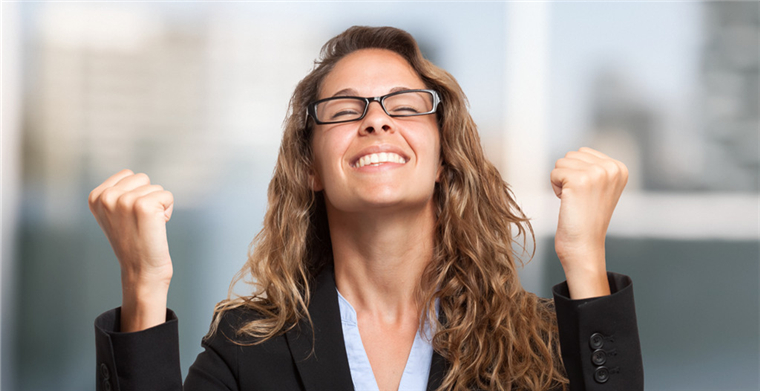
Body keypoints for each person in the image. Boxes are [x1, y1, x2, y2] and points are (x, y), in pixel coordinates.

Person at [90, 26, 643, 391]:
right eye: (344, 108)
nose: (376, 120)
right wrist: (143, 283)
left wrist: (585, 261)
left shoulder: (532, 338)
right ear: (310, 168)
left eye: (404, 106)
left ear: (444, 158)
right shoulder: (247, 344)